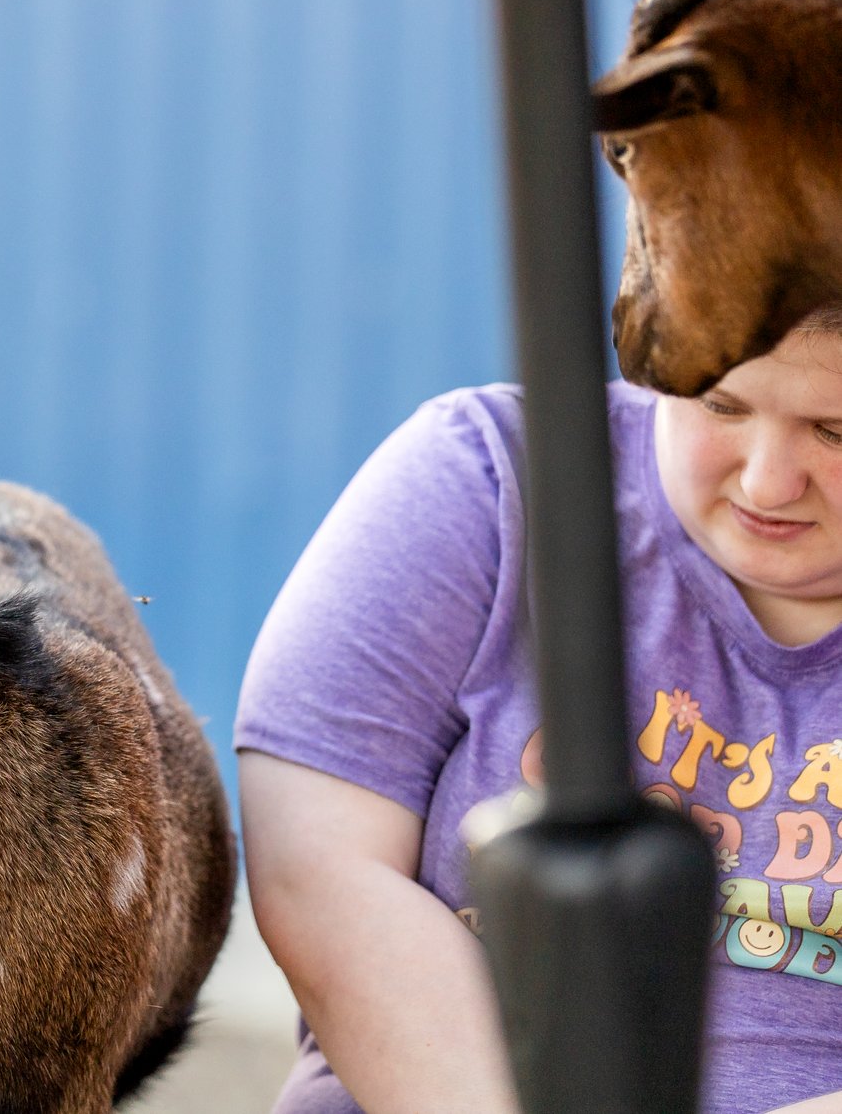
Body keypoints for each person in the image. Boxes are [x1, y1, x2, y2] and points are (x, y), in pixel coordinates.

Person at [238, 308, 842, 1114]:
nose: (768, 480)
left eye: (835, 430)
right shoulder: (488, 479)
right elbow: (315, 869)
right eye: (719, 403)